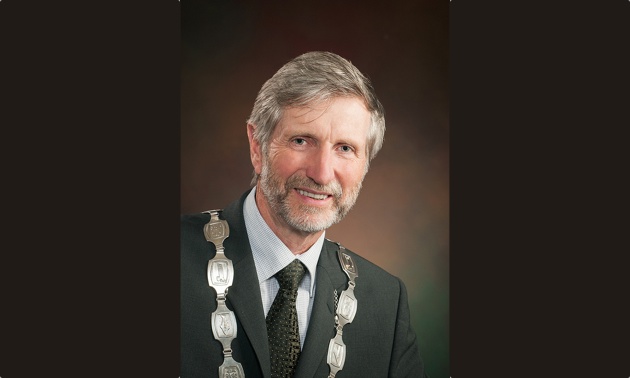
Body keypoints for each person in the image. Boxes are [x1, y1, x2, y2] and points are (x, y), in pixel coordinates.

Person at [181, 51, 427, 378]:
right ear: (258, 146)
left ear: (366, 163)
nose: (322, 173)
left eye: (345, 148)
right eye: (301, 140)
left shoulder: (385, 303)